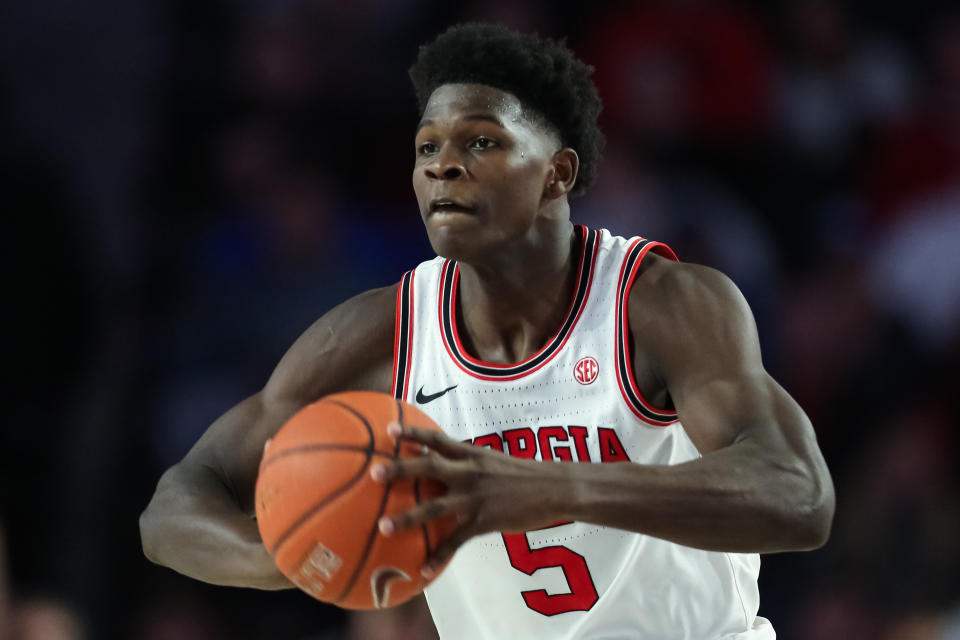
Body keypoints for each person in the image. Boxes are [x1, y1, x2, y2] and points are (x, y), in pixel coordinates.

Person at [140, 23, 835, 639]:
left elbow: (799, 494)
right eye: (427, 147)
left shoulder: (656, 304)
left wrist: (558, 488)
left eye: (481, 141)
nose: (444, 164)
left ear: (558, 174)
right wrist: (301, 547)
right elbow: (172, 509)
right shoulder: (381, 335)